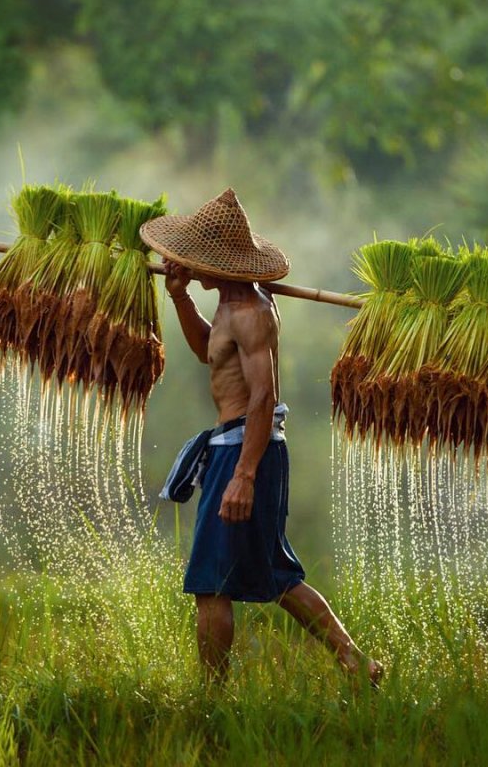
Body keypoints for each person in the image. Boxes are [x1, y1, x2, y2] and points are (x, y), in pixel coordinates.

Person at [140, 188, 382, 686]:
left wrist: (244, 476)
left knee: (210, 582)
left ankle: (211, 697)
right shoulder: (231, 305)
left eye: (197, 264)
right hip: (240, 445)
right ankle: (357, 663)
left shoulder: (251, 312)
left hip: (246, 450)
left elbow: (262, 396)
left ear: (220, 264)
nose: (190, 266)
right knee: (276, 574)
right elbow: (210, 352)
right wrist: (181, 295)